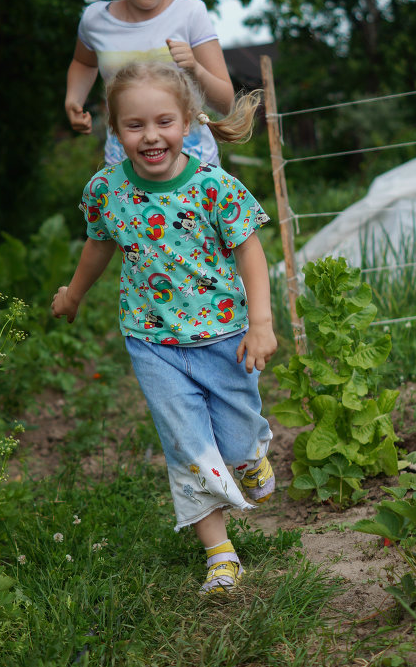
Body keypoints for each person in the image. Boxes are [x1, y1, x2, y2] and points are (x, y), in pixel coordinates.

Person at [52, 61, 277, 594]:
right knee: (185, 442)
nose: (151, 136)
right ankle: (220, 554)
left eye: (163, 122)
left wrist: (262, 323)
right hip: (152, 341)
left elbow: (249, 249)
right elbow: (99, 243)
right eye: (134, 126)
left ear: (189, 122)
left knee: (236, 434)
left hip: (224, 334)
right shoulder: (107, 188)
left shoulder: (214, 186)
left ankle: (248, 455)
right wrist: (74, 294)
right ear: (116, 131)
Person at [65, 0, 234, 166]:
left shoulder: (190, 13)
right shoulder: (95, 19)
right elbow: (83, 62)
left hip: (192, 168)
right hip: (124, 166)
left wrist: (195, 69)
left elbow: (226, 103)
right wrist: (73, 100)